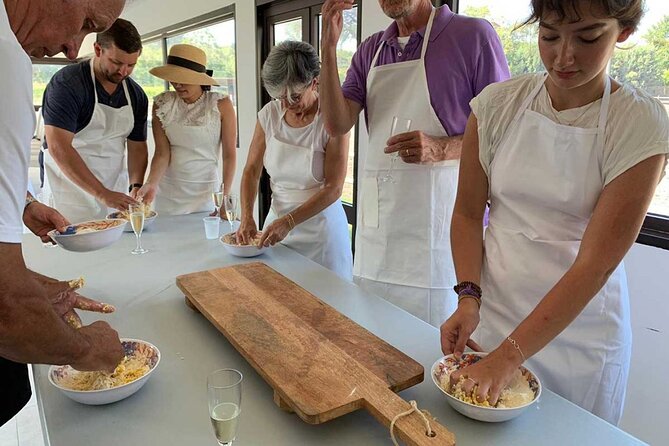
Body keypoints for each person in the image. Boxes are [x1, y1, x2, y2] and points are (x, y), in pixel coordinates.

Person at [440, 0, 668, 425]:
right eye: (549, 35)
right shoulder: (495, 107)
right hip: (495, 314)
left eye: (587, 36)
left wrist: (510, 355)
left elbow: (594, 266)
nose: (563, 56)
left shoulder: (638, 122)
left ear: (623, 31)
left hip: (581, 338)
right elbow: (469, 214)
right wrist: (468, 298)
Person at [320, 0, 510, 325]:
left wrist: (441, 148)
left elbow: (504, 133)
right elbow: (337, 124)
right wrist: (328, 46)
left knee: (437, 350)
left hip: (443, 236)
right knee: (373, 341)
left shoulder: (472, 36)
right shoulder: (371, 51)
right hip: (379, 241)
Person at [0, 0, 126, 426]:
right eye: (86, 24)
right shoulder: (7, 60)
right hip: (77, 197)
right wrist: (86, 349)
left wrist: (20, 204)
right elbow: (6, 306)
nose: (74, 49)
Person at [237, 41, 353, 280]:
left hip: (322, 233)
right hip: (275, 228)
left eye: (295, 96)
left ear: (314, 82)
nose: (288, 104)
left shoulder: (332, 120)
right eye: (281, 97)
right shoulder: (269, 115)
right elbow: (251, 169)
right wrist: (247, 216)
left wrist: (289, 221)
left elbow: (334, 189)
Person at [41, 18, 149, 224]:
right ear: (98, 50)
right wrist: (101, 193)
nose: (123, 72)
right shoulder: (68, 84)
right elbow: (58, 147)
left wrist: (135, 185)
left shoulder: (136, 95)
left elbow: (137, 146)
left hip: (114, 191)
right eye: (117, 63)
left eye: (131, 65)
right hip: (69, 193)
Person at [136, 44, 237, 214]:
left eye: (183, 78)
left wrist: (224, 197)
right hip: (169, 193)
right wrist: (151, 183)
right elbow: (161, 153)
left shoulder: (221, 105)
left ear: (200, 78)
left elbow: (229, 155)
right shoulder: (162, 104)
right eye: (173, 77)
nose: (177, 84)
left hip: (206, 193)